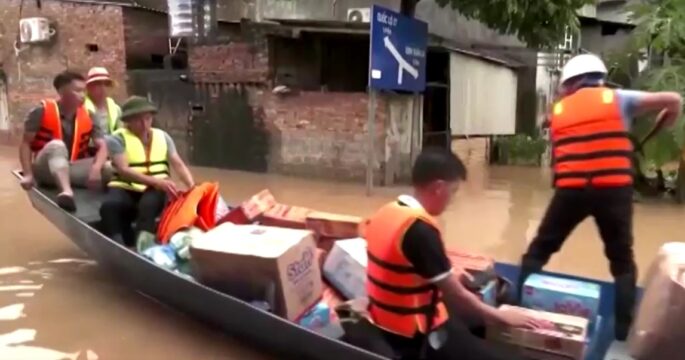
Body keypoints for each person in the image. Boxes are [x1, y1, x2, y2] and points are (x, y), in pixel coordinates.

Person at [517, 53, 683, 341]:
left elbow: (553, 131)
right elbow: (673, 99)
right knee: (621, 260)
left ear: (572, 83)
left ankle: (516, 306)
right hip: (613, 191)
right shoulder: (618, 99)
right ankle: (622, 332)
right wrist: (667, 119)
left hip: (571, 191)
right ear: (598, 79)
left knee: (538, 251)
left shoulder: (557, 111)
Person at [360, 147, 545, 360]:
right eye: (454, 191)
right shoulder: (420, 230)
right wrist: (501, 317)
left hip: (386, 319)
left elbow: (406, 264)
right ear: (439, 188)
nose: (453, 199)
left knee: (476, 305)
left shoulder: (388, 212)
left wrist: (449, 272)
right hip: (416, 333)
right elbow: (457, 295)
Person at [100, 96, 195, 249]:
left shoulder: (163, 137)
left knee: (148, 205)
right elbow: (124, 170)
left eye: (148, 118)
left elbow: (178, 164)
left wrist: (191, 187)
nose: (144, 124)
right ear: (128, 121)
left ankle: (143, 245)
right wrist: (157, 182)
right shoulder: (117, 139)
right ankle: (118, 245)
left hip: (156, 188)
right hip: (127, 186)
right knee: (109, 206)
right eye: (138, 120)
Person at [19, 70, 109, 212]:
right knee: (57, 145)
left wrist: (96, 169)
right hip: (46, 170)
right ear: (62, 92)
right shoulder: (40, 112)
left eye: (84, 91)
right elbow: (26, 144)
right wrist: (28, 174)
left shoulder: (90, 115)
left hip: (73, 168)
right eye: (78, 91)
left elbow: (103, 146)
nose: (83, 95)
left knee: (110, 167)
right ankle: (67, 192)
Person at [84, 67, 121, 134]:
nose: (103, 88)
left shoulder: (116, 109)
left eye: (106, 84)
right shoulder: (81, 108)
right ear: (88, 87)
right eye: (98, 84)